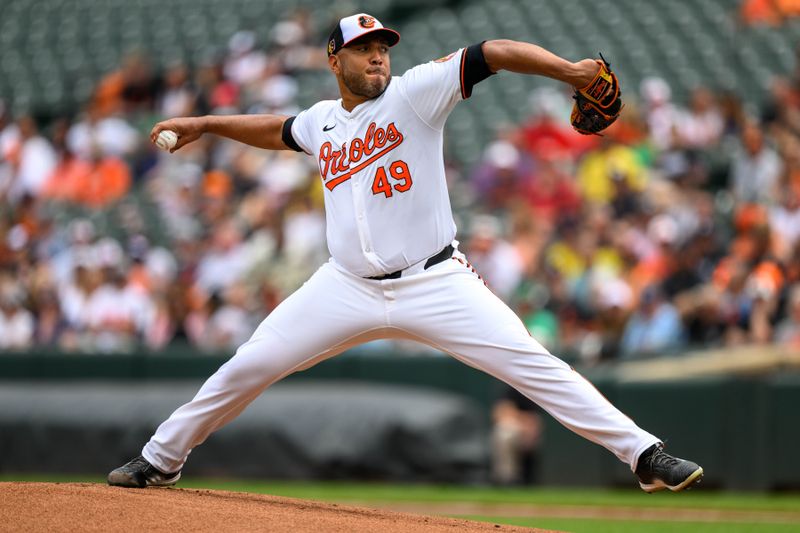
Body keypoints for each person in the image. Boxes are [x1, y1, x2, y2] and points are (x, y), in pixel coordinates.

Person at [108, 13, 703, 493]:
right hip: (345, 287)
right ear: (333, 59)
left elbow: (490, 51)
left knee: (533, 363)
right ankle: (161, 458)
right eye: (363, 48)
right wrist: (207, 123)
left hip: (434, 281)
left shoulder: (417, 92)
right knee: (249, 364)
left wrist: (572, 73)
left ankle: (644, 453)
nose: (377, 56)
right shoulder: (322, 123)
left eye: (382, 46)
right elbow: (277, 129)